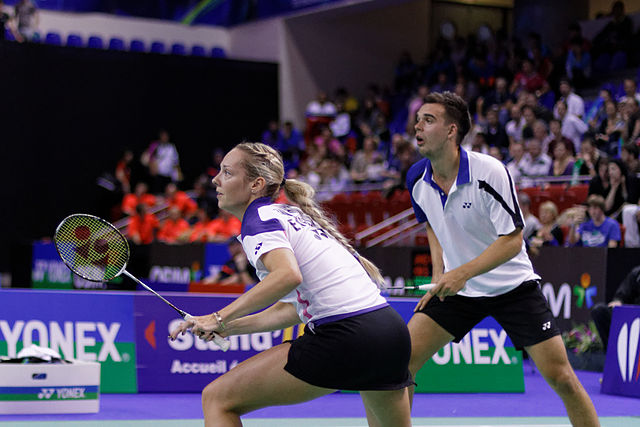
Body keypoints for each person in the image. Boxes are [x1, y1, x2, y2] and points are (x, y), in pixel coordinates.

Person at [169, 142, 413, 427]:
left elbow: (287, 275)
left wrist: (218, 316)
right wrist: (226, 327)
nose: (215, 179)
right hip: (390, 333)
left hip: (344, 336)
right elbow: (290, 310)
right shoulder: (291, 215)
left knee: (217, 399)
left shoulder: (257, 221)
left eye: (227, 172)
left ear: (256, 185)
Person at [406, 91, 599, 427]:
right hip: (458, 291)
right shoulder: (416, 179)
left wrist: (461, 273)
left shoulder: (489, 172)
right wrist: (439, 275)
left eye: (428, 120)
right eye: (418, 119)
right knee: (400, 362)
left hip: (512, 286)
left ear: (452, 131)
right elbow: (433, 225)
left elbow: (511, 240)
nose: (417, 126)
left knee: (563, 378)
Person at [591, 265, 640, 349]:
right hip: (633, 322)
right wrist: (618, 301)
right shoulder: (637, 274)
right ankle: (613, 354)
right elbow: (622, 295)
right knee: (599, 311)